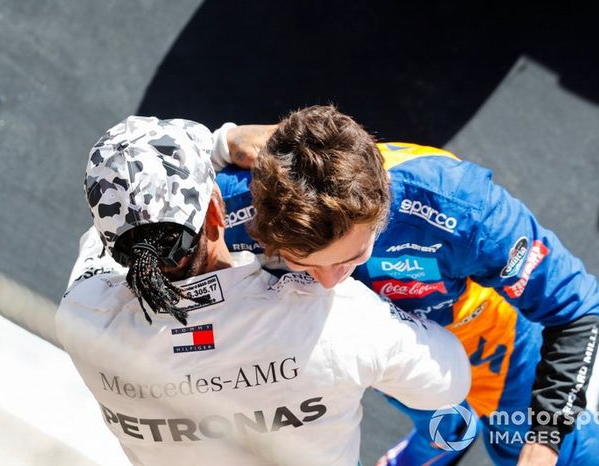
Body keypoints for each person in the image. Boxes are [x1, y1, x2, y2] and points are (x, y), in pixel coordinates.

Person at [211, 106, 599, 465]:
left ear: (381, 210)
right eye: (302, 262)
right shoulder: (231, 204)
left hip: (491, 346)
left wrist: (543, 444)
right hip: (384, 346)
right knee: (434, 418)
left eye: (352, 257)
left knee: (536, 448)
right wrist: (220, 142)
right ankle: (443, 440)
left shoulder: (457, 204)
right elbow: (151, 171)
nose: (331, 281)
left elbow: (576, 309)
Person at [55, 115, 471, 466]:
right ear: (218, 212)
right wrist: (223, 143)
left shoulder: (83, 319)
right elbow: (449, 381)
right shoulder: (338, 317)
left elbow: (106, 235)